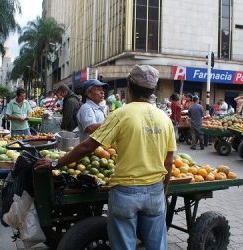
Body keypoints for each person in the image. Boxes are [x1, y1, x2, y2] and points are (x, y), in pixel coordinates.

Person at [35, 65, 176, 250]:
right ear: (152, 90)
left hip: (126, 192)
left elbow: (88, 146)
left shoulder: (121, 114)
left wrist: (55, 163)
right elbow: (169, 162)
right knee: (157, 246)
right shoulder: (164, 118)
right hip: (155, 191)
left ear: (129, 86)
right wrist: (162, 192)